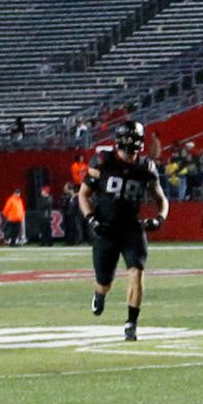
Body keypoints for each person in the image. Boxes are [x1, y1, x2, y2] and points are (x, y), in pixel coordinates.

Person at [78, 121, 169, 342]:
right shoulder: (103, 161)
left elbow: (161, 199)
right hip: (106, 229)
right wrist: (91, 219)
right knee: (104, 282)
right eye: (128, 139)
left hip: (132, 229)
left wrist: (159, 219)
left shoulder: (146, 167)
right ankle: (99, 294)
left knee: (136, 274)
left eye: (134, 139)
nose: (131, 144)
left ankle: (131, 324)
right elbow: (83, 194)